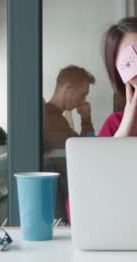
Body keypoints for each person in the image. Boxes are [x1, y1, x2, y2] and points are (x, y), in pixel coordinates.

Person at [43, 65, 95, 220]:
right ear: (69, 89)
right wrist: (86, 120)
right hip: (57, 197)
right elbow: (85, 150)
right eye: (83, 94)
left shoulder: (54, 116)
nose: (83, 100)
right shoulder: (51, 120)